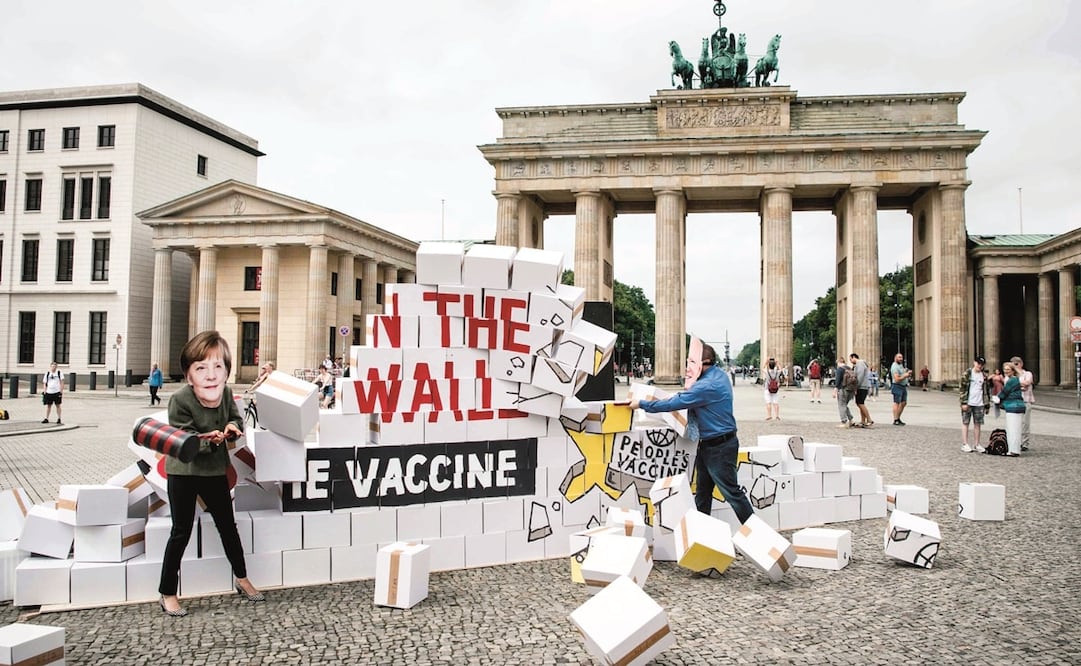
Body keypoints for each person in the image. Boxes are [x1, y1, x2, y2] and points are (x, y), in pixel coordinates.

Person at [159, 330, 264, 616]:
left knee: (228, 527)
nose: (210, 374)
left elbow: (234, 416)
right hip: (184, 472)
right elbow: (183, 437)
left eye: (218, 366)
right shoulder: (180, 399)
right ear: (188, 373)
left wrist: (231, 428)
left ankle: (242, 579)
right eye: (201, 367)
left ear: (227, 371)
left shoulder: (226, 392)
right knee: (180, 531)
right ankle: (167, 592)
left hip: (215, 471)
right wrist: (209, 438)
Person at [629, 343, 754, 524]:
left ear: (702, 363)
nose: (687, 367)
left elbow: (674, 404)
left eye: (691, 363)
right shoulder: (720, 375)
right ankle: (701, 535)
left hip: (718, 447)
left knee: (732, 493)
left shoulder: (705, 386)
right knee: (703, 493)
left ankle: (758, 536)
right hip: (713, 444)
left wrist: (641, 403)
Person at [993, 362, 1025, 457]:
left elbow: (1005, 391)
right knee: (1016, 429)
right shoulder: (1015, 379)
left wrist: (997, 398)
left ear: (1012, 370)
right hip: (1017, 406)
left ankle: (1013, 450)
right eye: (1005, 369)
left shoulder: (1012, 380)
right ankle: (1014, 449)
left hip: (1013, 406)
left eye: (1008, 369)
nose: (1006, 371)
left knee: (1012, 429)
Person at [959, 355, 990, 453]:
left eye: (981, 364)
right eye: (978, 363)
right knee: (966, 422)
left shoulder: (984, 376)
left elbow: (986, 391)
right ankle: (965, 443)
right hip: (968, 401)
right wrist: (963, 402)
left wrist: (987, 405)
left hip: (979, 402)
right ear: (974, 363)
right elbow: (962, 388)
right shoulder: (967, 374)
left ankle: (977, 444)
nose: (979, 366)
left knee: (978, 423)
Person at [1010, 356, 1034, 451]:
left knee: (1025, 423)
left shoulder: (1027, 373)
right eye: (1013, 365)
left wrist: (1018, 381)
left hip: (1025, 400)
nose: (1015, 366)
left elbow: (1027, 383)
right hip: (1015, 401)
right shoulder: (1012, 376)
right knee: (1015, 423)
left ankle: (1024, 443)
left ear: (1021, 364)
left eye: (1016, 364)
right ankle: (1016, 442)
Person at [849, 353, 873, 427]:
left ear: (854, 357)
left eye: (850, 359)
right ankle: (863, 421)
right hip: (863, 386)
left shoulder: (860, 364)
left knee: (860, 403)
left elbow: (859, 376)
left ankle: (869, 419)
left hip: (861, 386)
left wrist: (856, 386)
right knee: (860, 403)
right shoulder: (860, 364)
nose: (850, 361)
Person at [890, 352, 913, 426]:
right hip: (897, 386)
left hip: (903, 386)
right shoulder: (894, 366)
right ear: (895, 358)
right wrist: (905, 375)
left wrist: (907, 372)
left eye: (901, 357)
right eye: (899, 357)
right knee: (897, 402)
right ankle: (895, 419)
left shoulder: (900, 365)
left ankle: (898, 418)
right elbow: (897, 379)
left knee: (903, 403)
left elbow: (902, 374)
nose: (901, 359)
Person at [833, 358, 855, 428]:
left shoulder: (840, 369)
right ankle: (851, 420)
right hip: (851, 390)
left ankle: (844, 421)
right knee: (844, 405)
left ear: (839, 362)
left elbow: (838, 380)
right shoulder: (849, 368)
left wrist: (835, 390)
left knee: (841, 405)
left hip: (843, 389)